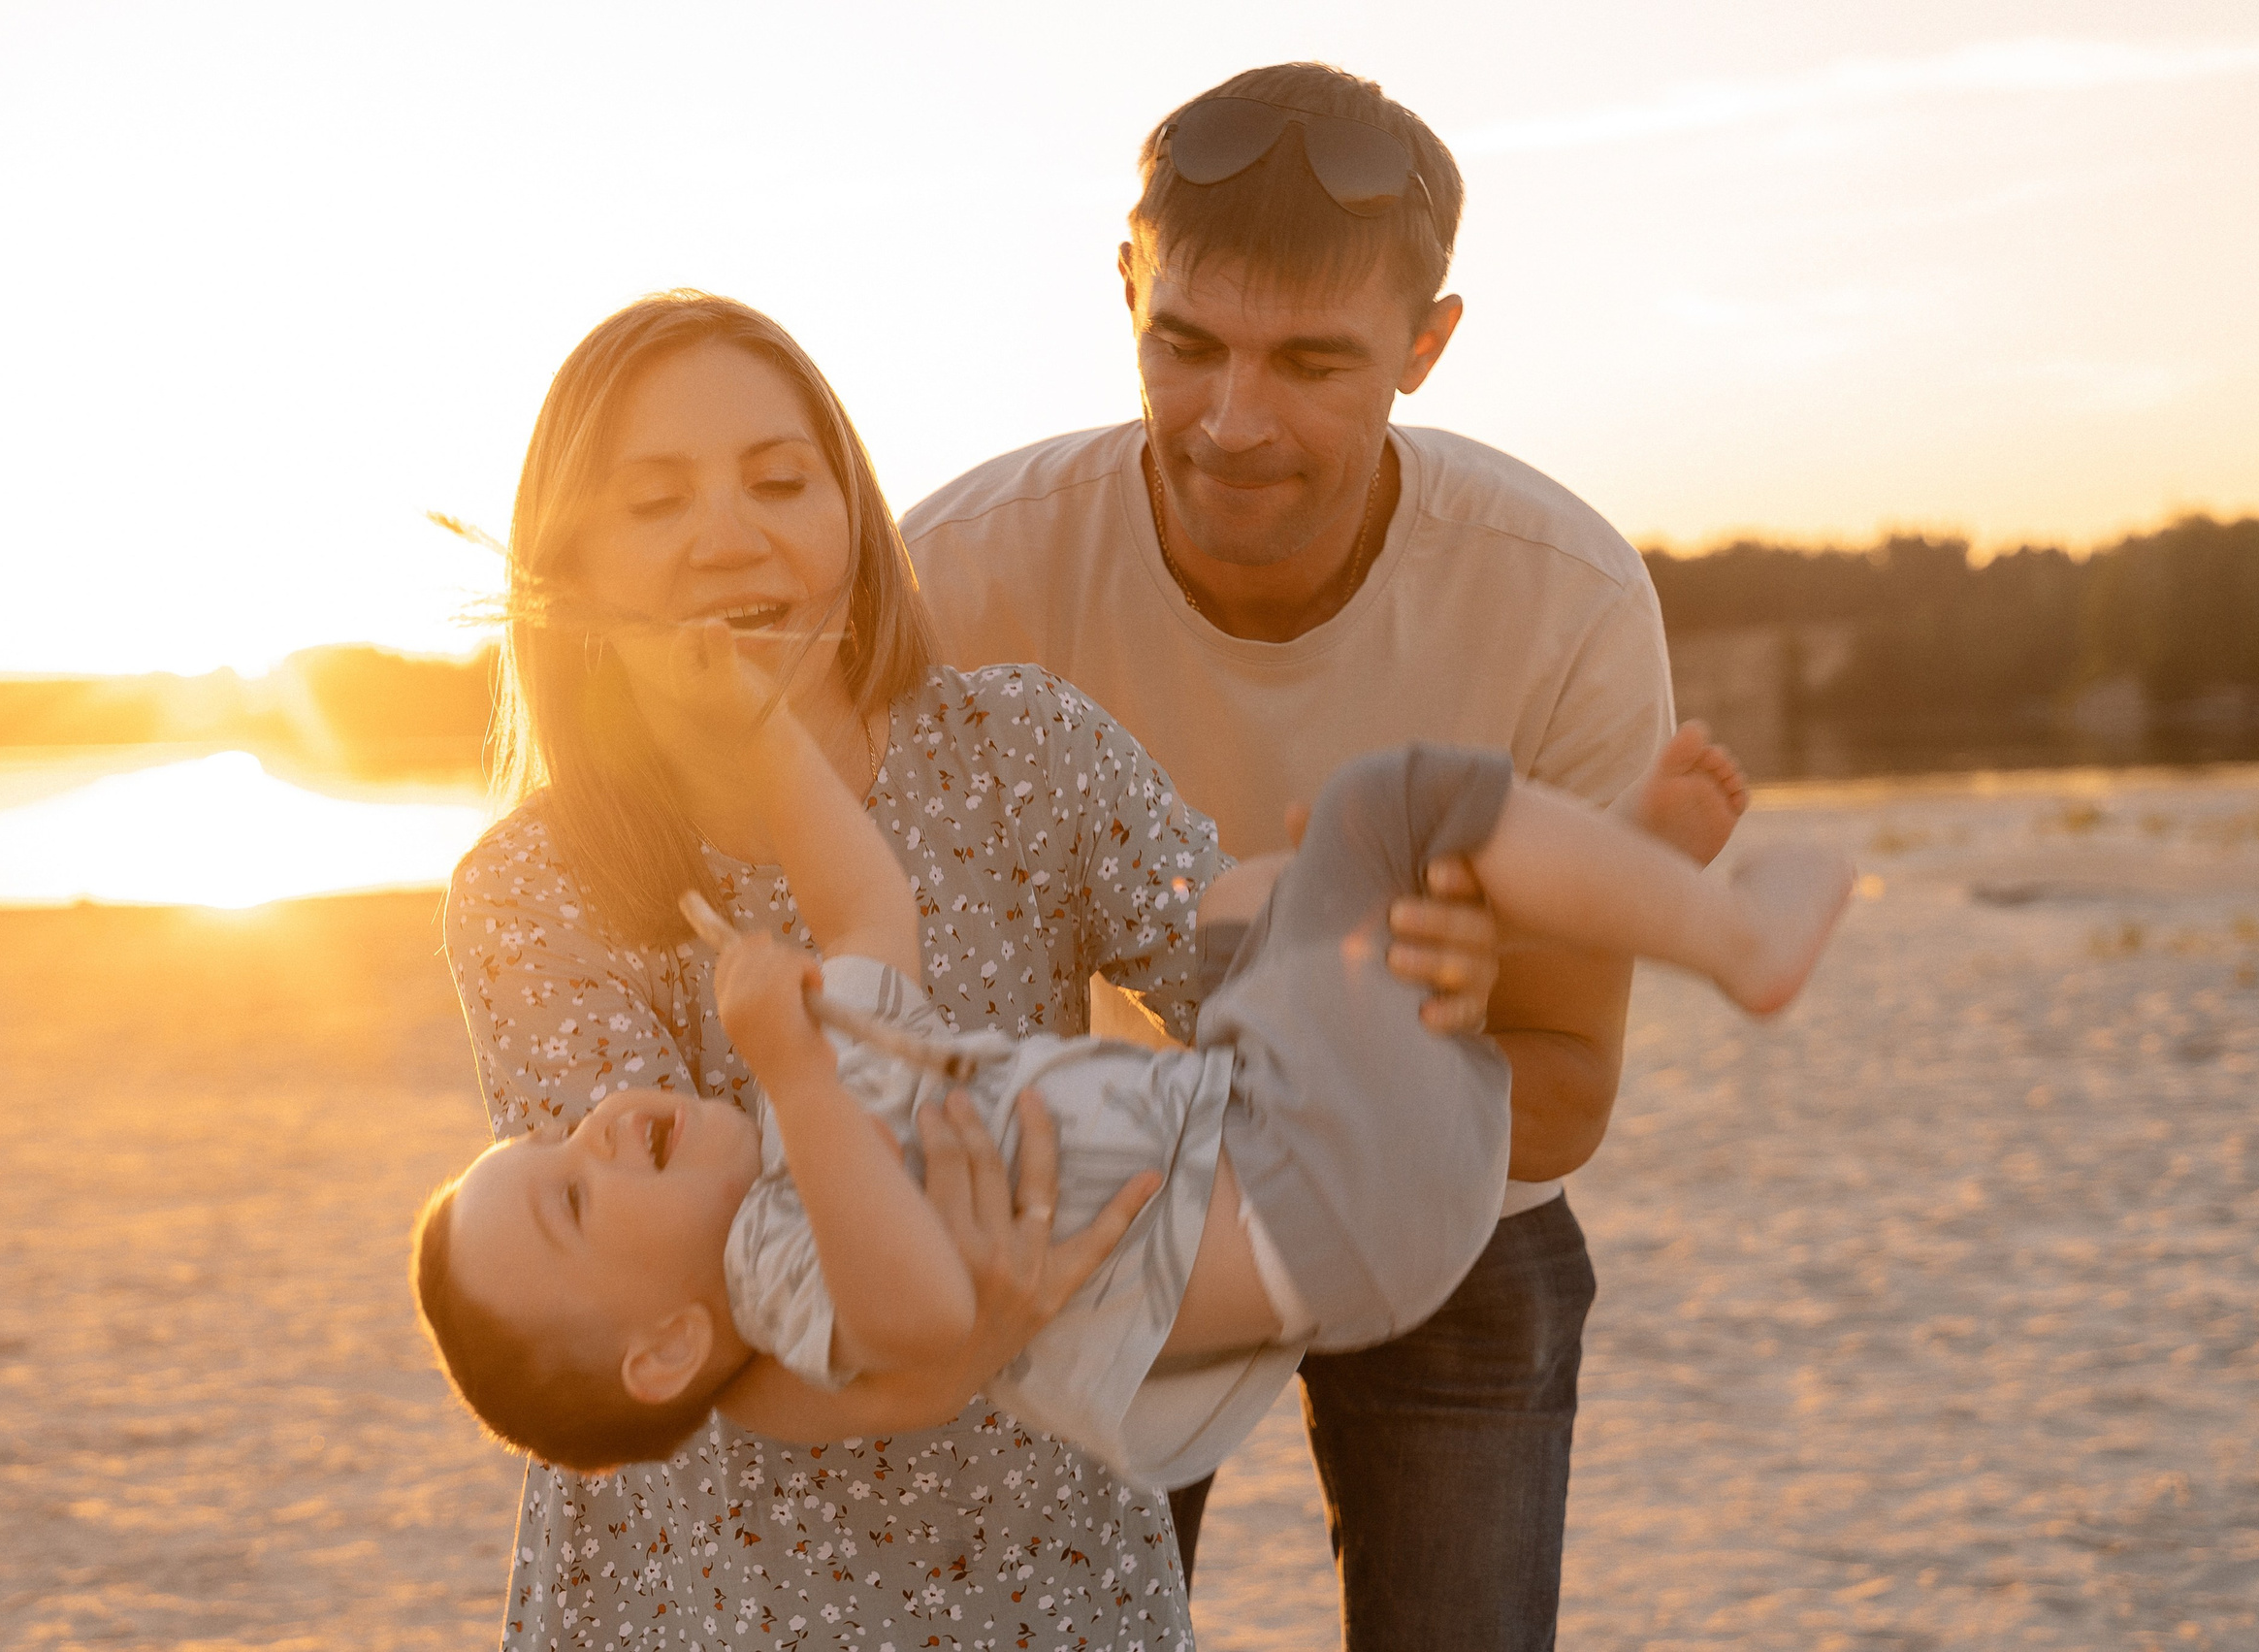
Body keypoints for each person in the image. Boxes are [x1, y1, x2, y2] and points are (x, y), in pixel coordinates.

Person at [438, 288, 1502, 1652]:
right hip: (711, 1586)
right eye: (654, 503)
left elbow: (1253, 984)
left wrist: (1397, 961)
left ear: (852, 514)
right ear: (574, 566)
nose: (728, 534)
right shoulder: (536, 886)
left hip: (1043, 1565)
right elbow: (667, 1317)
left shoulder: (1021, 752)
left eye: (780, 480)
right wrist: (939, 1354)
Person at [421, 619, 1846, 1496]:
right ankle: (1724, 934)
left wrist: (759, 731)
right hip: (1315, 1191)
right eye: (569, 1199)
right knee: (1388, 809)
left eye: (551, 1142)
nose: (588, 1132)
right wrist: (792, 1074)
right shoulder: (781, 1266)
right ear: (669, 1346)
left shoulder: (816, 1132)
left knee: (1263, 899)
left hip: (1277, 1124)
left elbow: (867, 908)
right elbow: (925, 1318)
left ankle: (1604, 881)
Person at [902, 61, 1678, 1647]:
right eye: (1186, 343)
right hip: (1096, 1201)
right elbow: (907, 1030)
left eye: (1314, 362)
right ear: (1127, 288)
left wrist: (1333, 1099)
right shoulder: (961, 580)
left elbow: (1565, 1088)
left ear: (1425, 346)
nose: (1234, 421)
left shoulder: (1565, 605)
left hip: (1454, 1209)